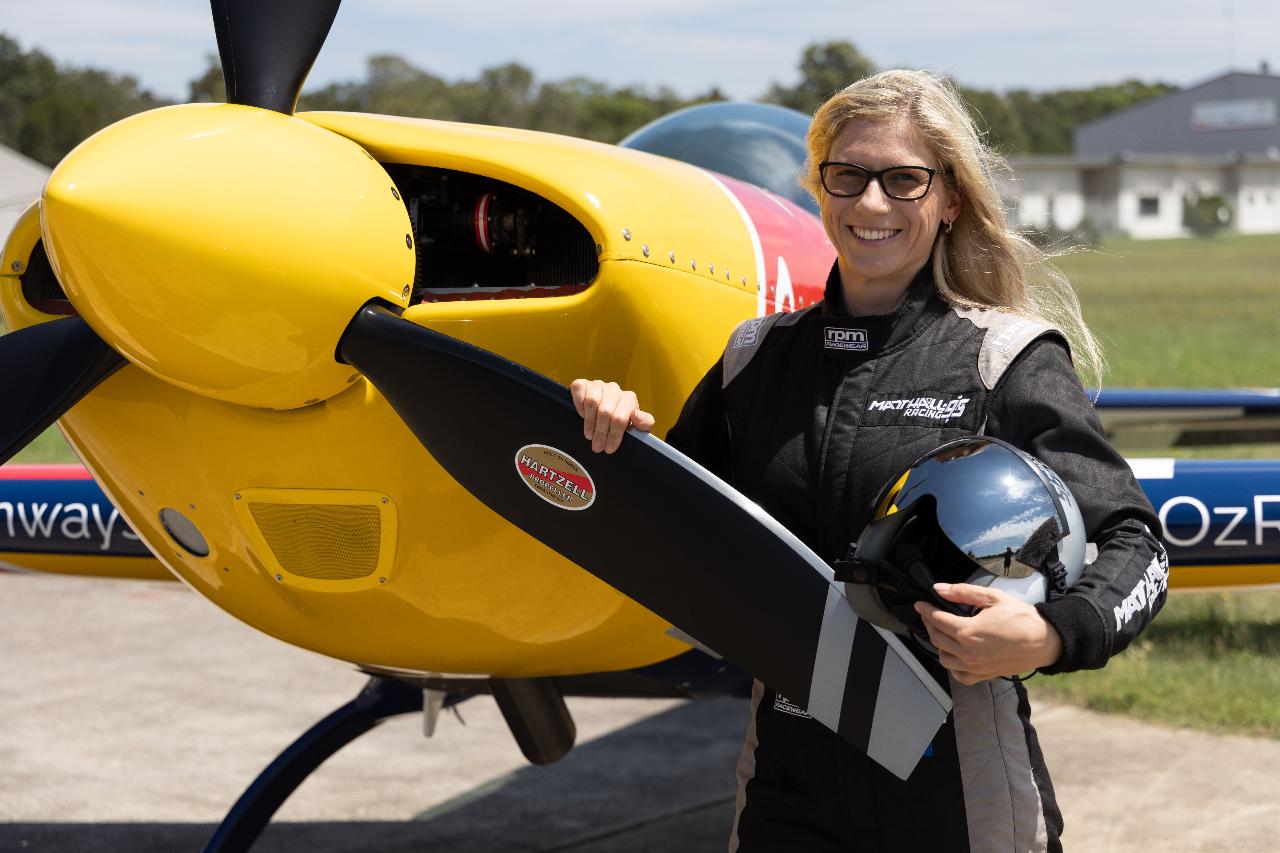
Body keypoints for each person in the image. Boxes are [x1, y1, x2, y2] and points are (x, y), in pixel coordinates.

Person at [572, 69, 1168, 853]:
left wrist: (1052, 634)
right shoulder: (754, 359)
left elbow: (1140, 545)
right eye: (847, 176)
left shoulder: (1004, 356)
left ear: (948, 199)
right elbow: (673, 529)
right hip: (787, 777)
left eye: (904, 180)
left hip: (956, 774)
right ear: (819, 189)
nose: (872, 203)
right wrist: (613, 434)